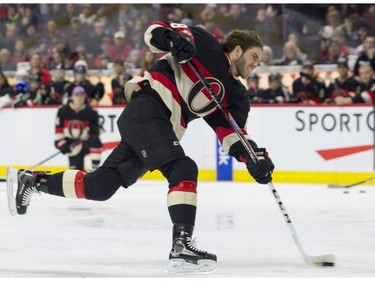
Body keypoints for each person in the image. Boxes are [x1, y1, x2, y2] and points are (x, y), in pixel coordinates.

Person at [14, 21, 274, 273]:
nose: (255, 64)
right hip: (147, 109)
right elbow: (155, 32)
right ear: (237, 49)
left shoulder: (237, 96)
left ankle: (33, 181)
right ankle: (181, 244)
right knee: (182, 167)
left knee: (100, 187)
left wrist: (254, 158)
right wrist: (171, 39)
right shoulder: (205, 43)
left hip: (157, 126)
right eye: (254, 56)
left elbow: (232, 133)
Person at [54, 86, 103, 170]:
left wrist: (95, 131)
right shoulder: (63, 111)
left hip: (85, 142)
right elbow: (58, 131)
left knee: (95, 140)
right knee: (75, 173)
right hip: (72, 145)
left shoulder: (91, 112)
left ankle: (95, 168)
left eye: (82, 95)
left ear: (85, 97)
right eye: (77, 95)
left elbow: (99, 131)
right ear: (72, 96)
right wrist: (62, 144)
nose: (79, 98)